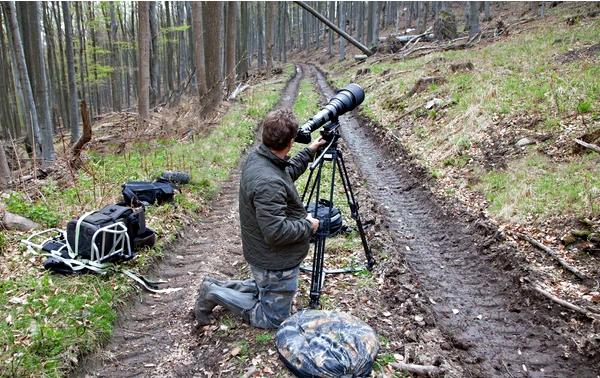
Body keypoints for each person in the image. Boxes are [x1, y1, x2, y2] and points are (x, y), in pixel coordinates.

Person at [194, 108, 326, 329]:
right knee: (273, 319)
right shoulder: (268, 182)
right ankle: (214, 293)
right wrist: (307, 225)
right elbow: (276, 232)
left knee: (263, 287)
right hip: (273, 260)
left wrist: (310, 151)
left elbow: (284, 174)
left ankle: (214, 285)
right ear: (290, 142)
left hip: (264, 256)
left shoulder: (260, 158)